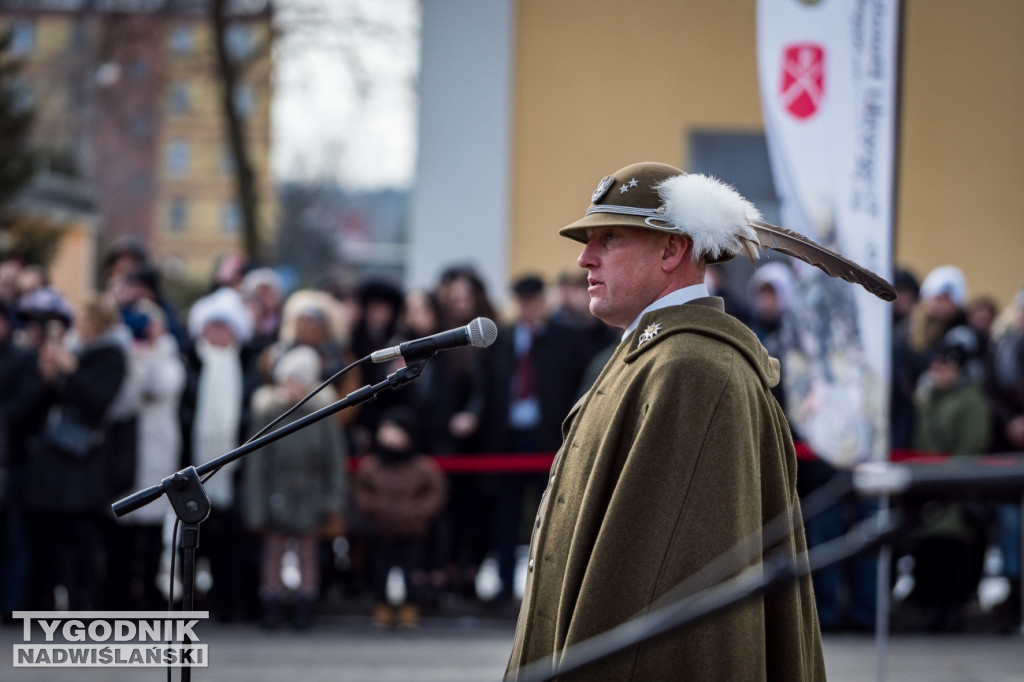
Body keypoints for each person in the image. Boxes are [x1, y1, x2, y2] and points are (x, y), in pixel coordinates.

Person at [505, 162, 825, 680]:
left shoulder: (690, 371)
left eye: (608, 239)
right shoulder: (656, 355)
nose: (584, 258)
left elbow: (662, 597)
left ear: (672, 250)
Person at [244, 346, 347, 630]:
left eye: (298, 380)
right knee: (273, 554)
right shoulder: (268, 413)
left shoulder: (323, 415)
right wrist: (257, 505)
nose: (292, 386)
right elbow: (257, 465)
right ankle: (272, 606)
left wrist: (332, 500)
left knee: (307, 554)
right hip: (276, 492)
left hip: (309, 493)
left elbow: (334, 462)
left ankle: (305, 606)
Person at [354, 406, 448, 628]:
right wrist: (374, 509)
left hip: (412, 528)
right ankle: (381, 605)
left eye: (396, 432)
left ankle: (410, 605)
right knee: (379, 568)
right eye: (386, 431)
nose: (390, 437)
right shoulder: (372, 465)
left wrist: (418, 513)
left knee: (411, 569)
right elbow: (360, 491)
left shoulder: (422, 467)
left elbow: (436, 491)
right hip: (380, 527)